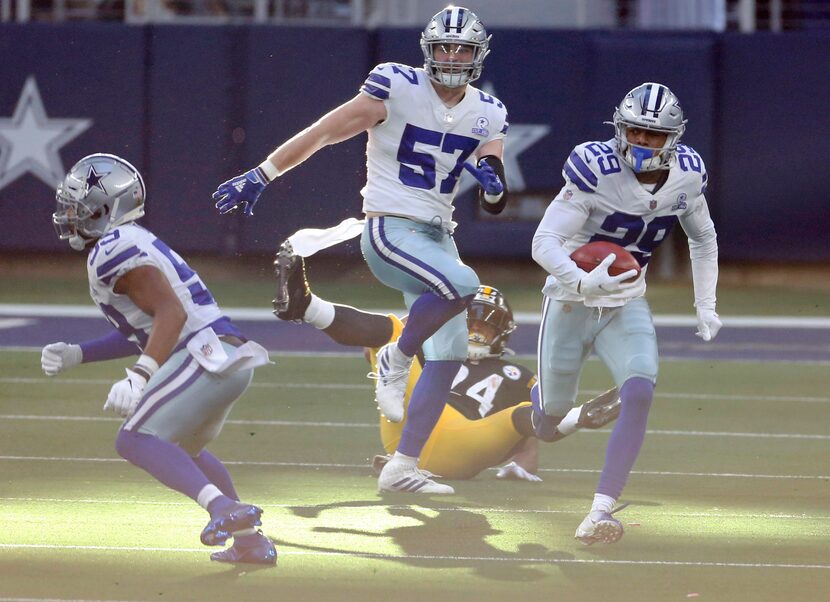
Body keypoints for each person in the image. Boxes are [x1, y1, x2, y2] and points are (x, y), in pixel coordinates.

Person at [213, 6, 509, 494]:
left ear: (479, 55)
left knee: (451, 355)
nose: (453, 57)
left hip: (439, 237)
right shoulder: (395, 85)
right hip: (391, 228)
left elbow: (495, 195)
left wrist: (493, 184)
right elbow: (326, 131)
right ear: (428, 50)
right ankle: (396, 353)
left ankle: (402, 467)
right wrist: (263, 173)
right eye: (445, 47)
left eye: (463, 49)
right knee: (465, 285)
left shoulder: (489, 111)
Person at [41, 153, 276, 565]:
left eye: (80, 207)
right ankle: (250, 542)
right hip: (224, 353)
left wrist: (138, 377)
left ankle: (222, 509)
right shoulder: (125, 241)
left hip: (203, 355)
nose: (70, 214)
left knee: (134, 439)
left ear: (105, 208)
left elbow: (172, 313)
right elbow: (149, 326)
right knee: (184, 450)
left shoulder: (111, 249)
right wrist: (80, 354)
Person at [531, 82, 721, 545]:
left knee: (639, 390)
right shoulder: (594, 169)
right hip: (571, 299)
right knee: (550, 421)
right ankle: (565, 415)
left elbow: (703, 238)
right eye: (634, 132)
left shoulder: (687, 176)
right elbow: (543, 242)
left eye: (653, 136)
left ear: (672, 138)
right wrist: (580, 280)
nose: (641, 143)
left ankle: (599, 511)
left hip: (626, 300)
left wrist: (706, 304)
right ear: (620, 129)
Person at [271, 239, 622, 482]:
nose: (477, 333)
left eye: (486, 326)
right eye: (472, 323)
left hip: (470, 439)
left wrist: (520, 468)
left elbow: (532, 430)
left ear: (503, 332)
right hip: (412, 430)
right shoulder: (434, 348)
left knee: (520, 415)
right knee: (394, 335)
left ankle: (579, 416)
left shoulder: (517, 375)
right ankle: (306, 306)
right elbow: (372, 347)